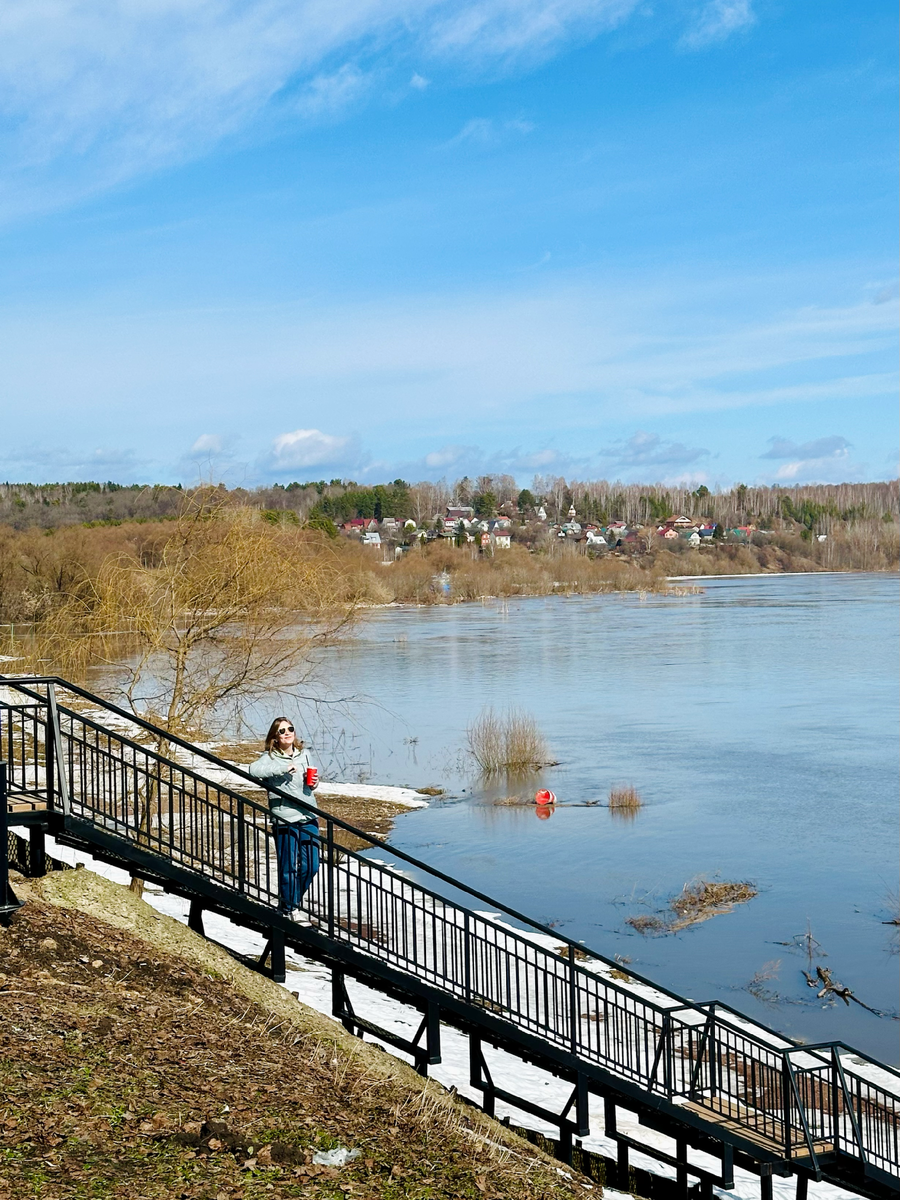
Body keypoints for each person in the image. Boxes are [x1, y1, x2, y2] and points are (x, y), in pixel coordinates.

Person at [249, 717, 320, 923]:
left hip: (308, 815)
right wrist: (282, 769)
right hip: (285, 818)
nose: (287, 733)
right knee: (288, 866)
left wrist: (314, 783)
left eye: (290, 729)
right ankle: (290, 910)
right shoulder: (269, 757)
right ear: (275, 737)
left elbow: (309, 783)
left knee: (311, 866)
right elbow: (253, 771)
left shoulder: (304, 754)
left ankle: (289, 904)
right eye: (282, 731)